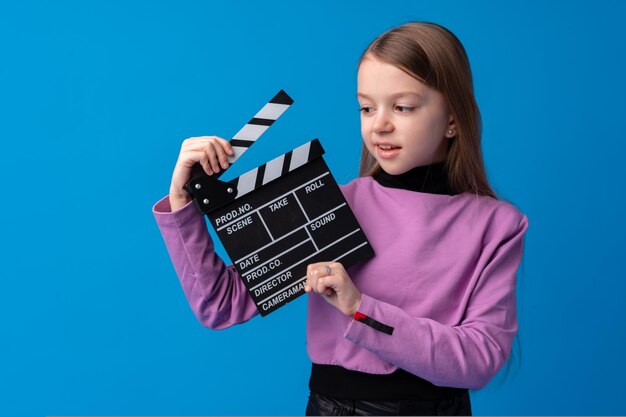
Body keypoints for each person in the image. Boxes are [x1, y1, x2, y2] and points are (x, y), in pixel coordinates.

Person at [153, 22, 529, 416]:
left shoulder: (497, 226)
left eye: (402, 107)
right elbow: (221, 304)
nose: (379, 124)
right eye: (366, 107)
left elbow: (481, 358)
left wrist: (361, 309)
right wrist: (183, 203)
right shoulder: (330, 206)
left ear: (452, 118)